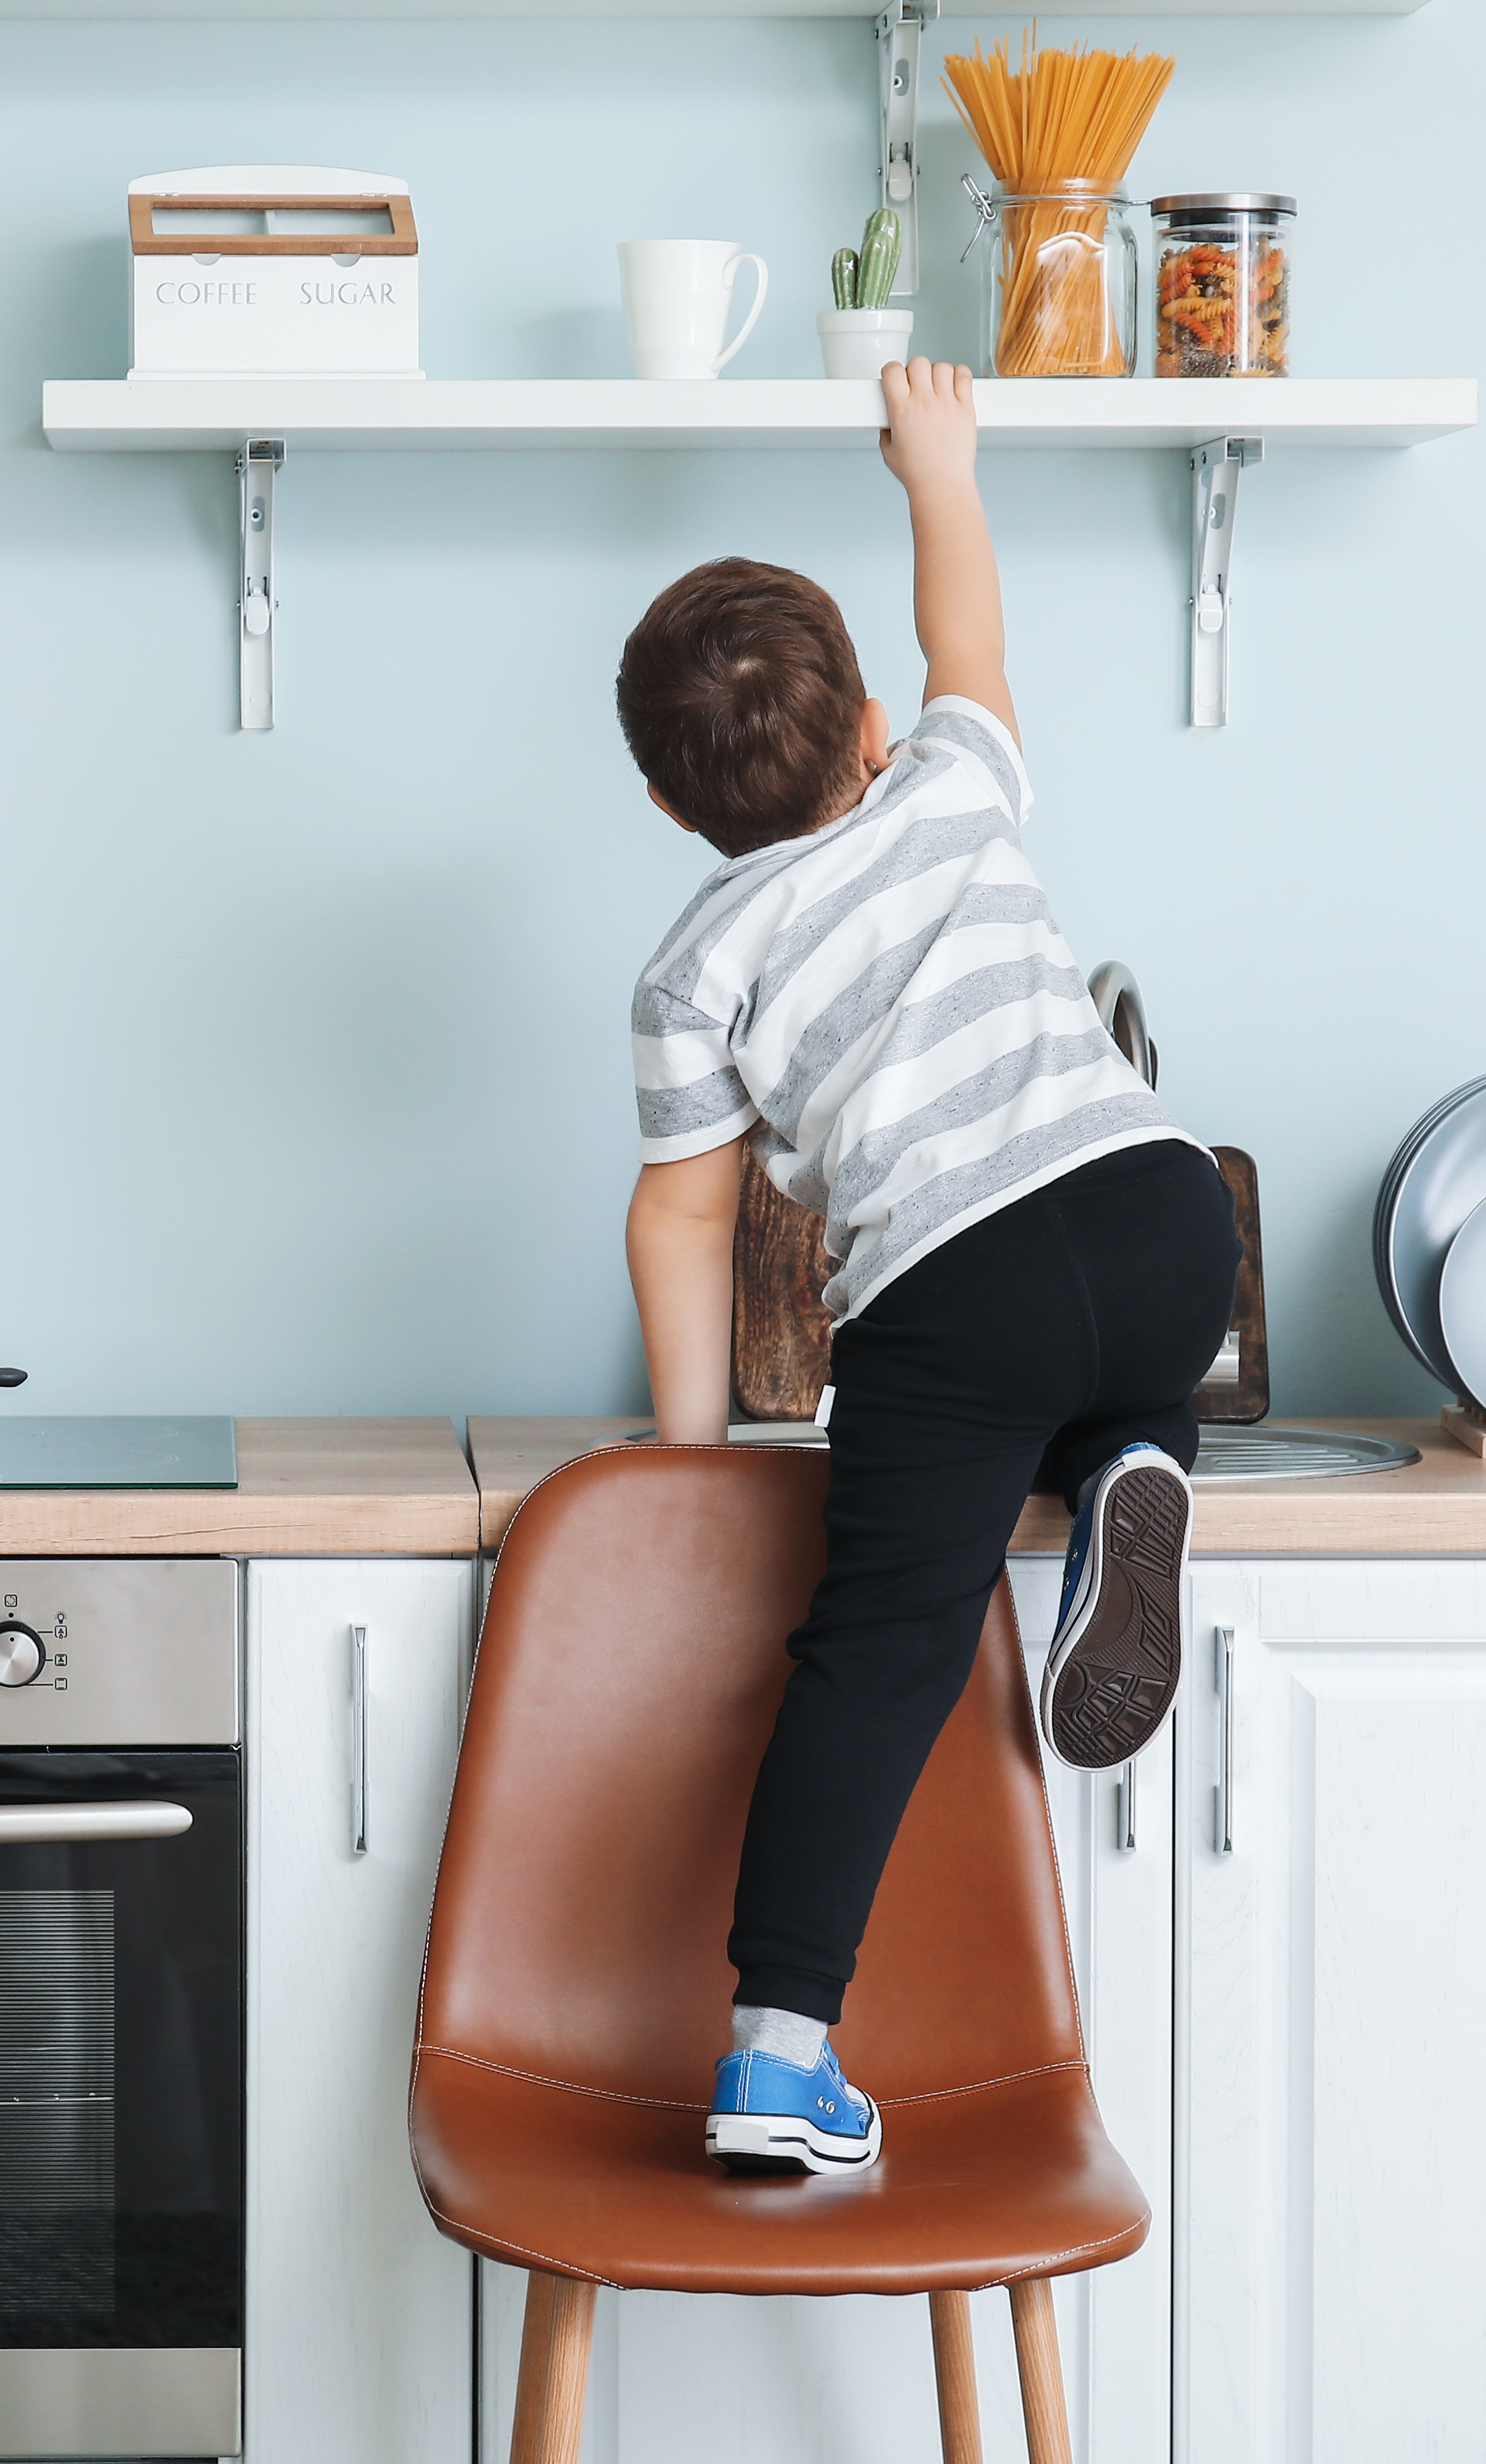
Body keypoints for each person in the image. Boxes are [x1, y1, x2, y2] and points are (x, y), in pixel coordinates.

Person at [617, 358, 1245, 2178]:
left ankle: (776, 2060)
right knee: (1124, 1372)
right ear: (874, 726)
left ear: (675, 813)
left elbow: (688, 1216)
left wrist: (693, 1460)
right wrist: (937, 468)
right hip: (1155, 1211)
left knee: (879, 1654)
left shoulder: (690, 966)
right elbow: (970, 623)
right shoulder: (954, 789)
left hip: (943, 1305)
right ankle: (1141, 1464)